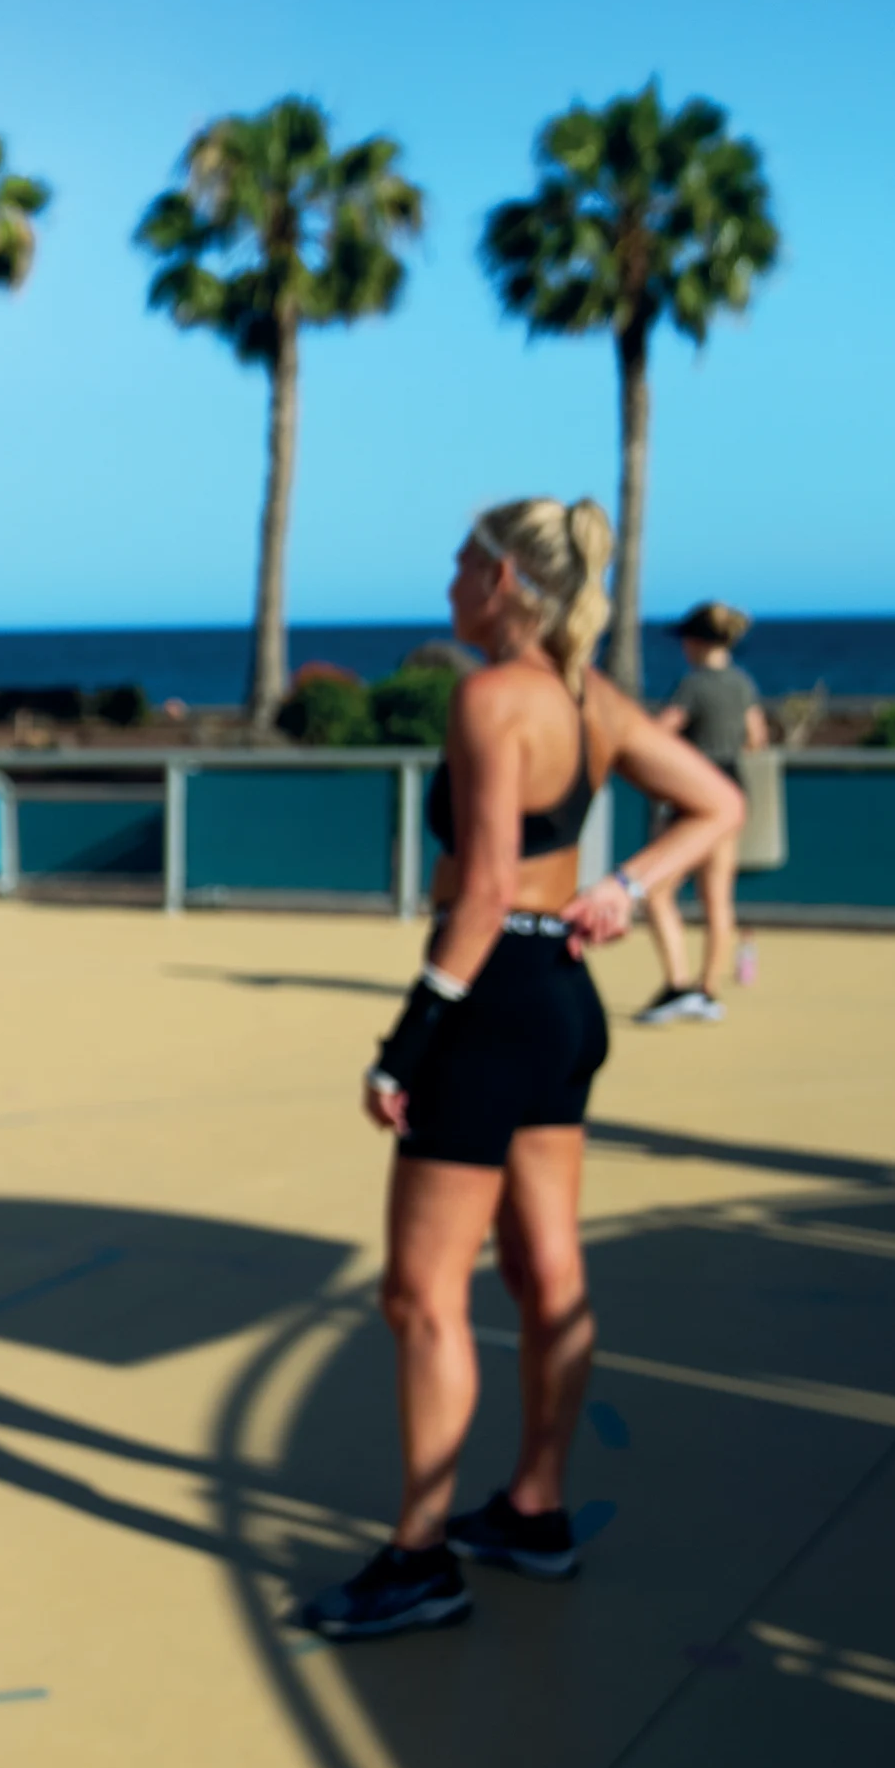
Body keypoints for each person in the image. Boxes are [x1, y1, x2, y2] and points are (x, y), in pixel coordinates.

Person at [290, 499, 742, 1644]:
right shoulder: (592, 701)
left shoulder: (490, 698)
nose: (446, 580)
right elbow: (716, 802)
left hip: (490, 998)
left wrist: (410, 1038)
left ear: (502, 578)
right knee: (549, 1271)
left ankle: (420, 1555)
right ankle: (535, 1507)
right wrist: (630, 887)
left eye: (460, 562)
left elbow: (483, 888)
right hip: (563, 1002)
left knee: (421, 1295)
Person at [638, 601, 768, 1025]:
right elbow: (756, 737)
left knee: (656, 891)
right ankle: (707, 989)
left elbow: (657, 735)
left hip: (693, 798)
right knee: (718, 898)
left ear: (695, 643)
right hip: (732, 792)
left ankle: (677, 984)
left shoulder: (693, 686)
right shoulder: (742, 683)